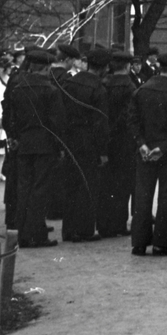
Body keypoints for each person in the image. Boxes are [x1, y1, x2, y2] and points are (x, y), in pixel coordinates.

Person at [2, 48, 66, 248]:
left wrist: (14, 137)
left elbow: (11, 117)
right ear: (46, 68)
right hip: (45, 145)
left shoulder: (18, 88)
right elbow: (57, 122)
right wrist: (60, 146)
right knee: (40, 190)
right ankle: (36, 234)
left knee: (23, 189)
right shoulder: (51, 90)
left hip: (24, 144)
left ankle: (21, 232)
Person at [128, 51, 167, 256]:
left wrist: (142, 144)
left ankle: (139, 242)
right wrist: (162, 148)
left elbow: (133, 121)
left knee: (142, 196)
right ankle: (162, 243)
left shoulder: (141, 90)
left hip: (144, 152)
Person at [60, 46, 110, 242]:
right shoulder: (98, 88)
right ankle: (84, 229)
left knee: (70, 183)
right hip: (89, 141)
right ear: (104, 67)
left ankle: (68, 229)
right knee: (88, 185)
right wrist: (103, 151)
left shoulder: (69, 82)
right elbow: (101, 122)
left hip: (70, 138)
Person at [97, 49, 138, 238]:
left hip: (105, 139)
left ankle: (104, 223)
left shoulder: (103, 83)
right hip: (124, 141)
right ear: (128, 66)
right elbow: (129, 116)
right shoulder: (130, 86)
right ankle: (118, 224)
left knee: (106, 183)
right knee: (123, 184)